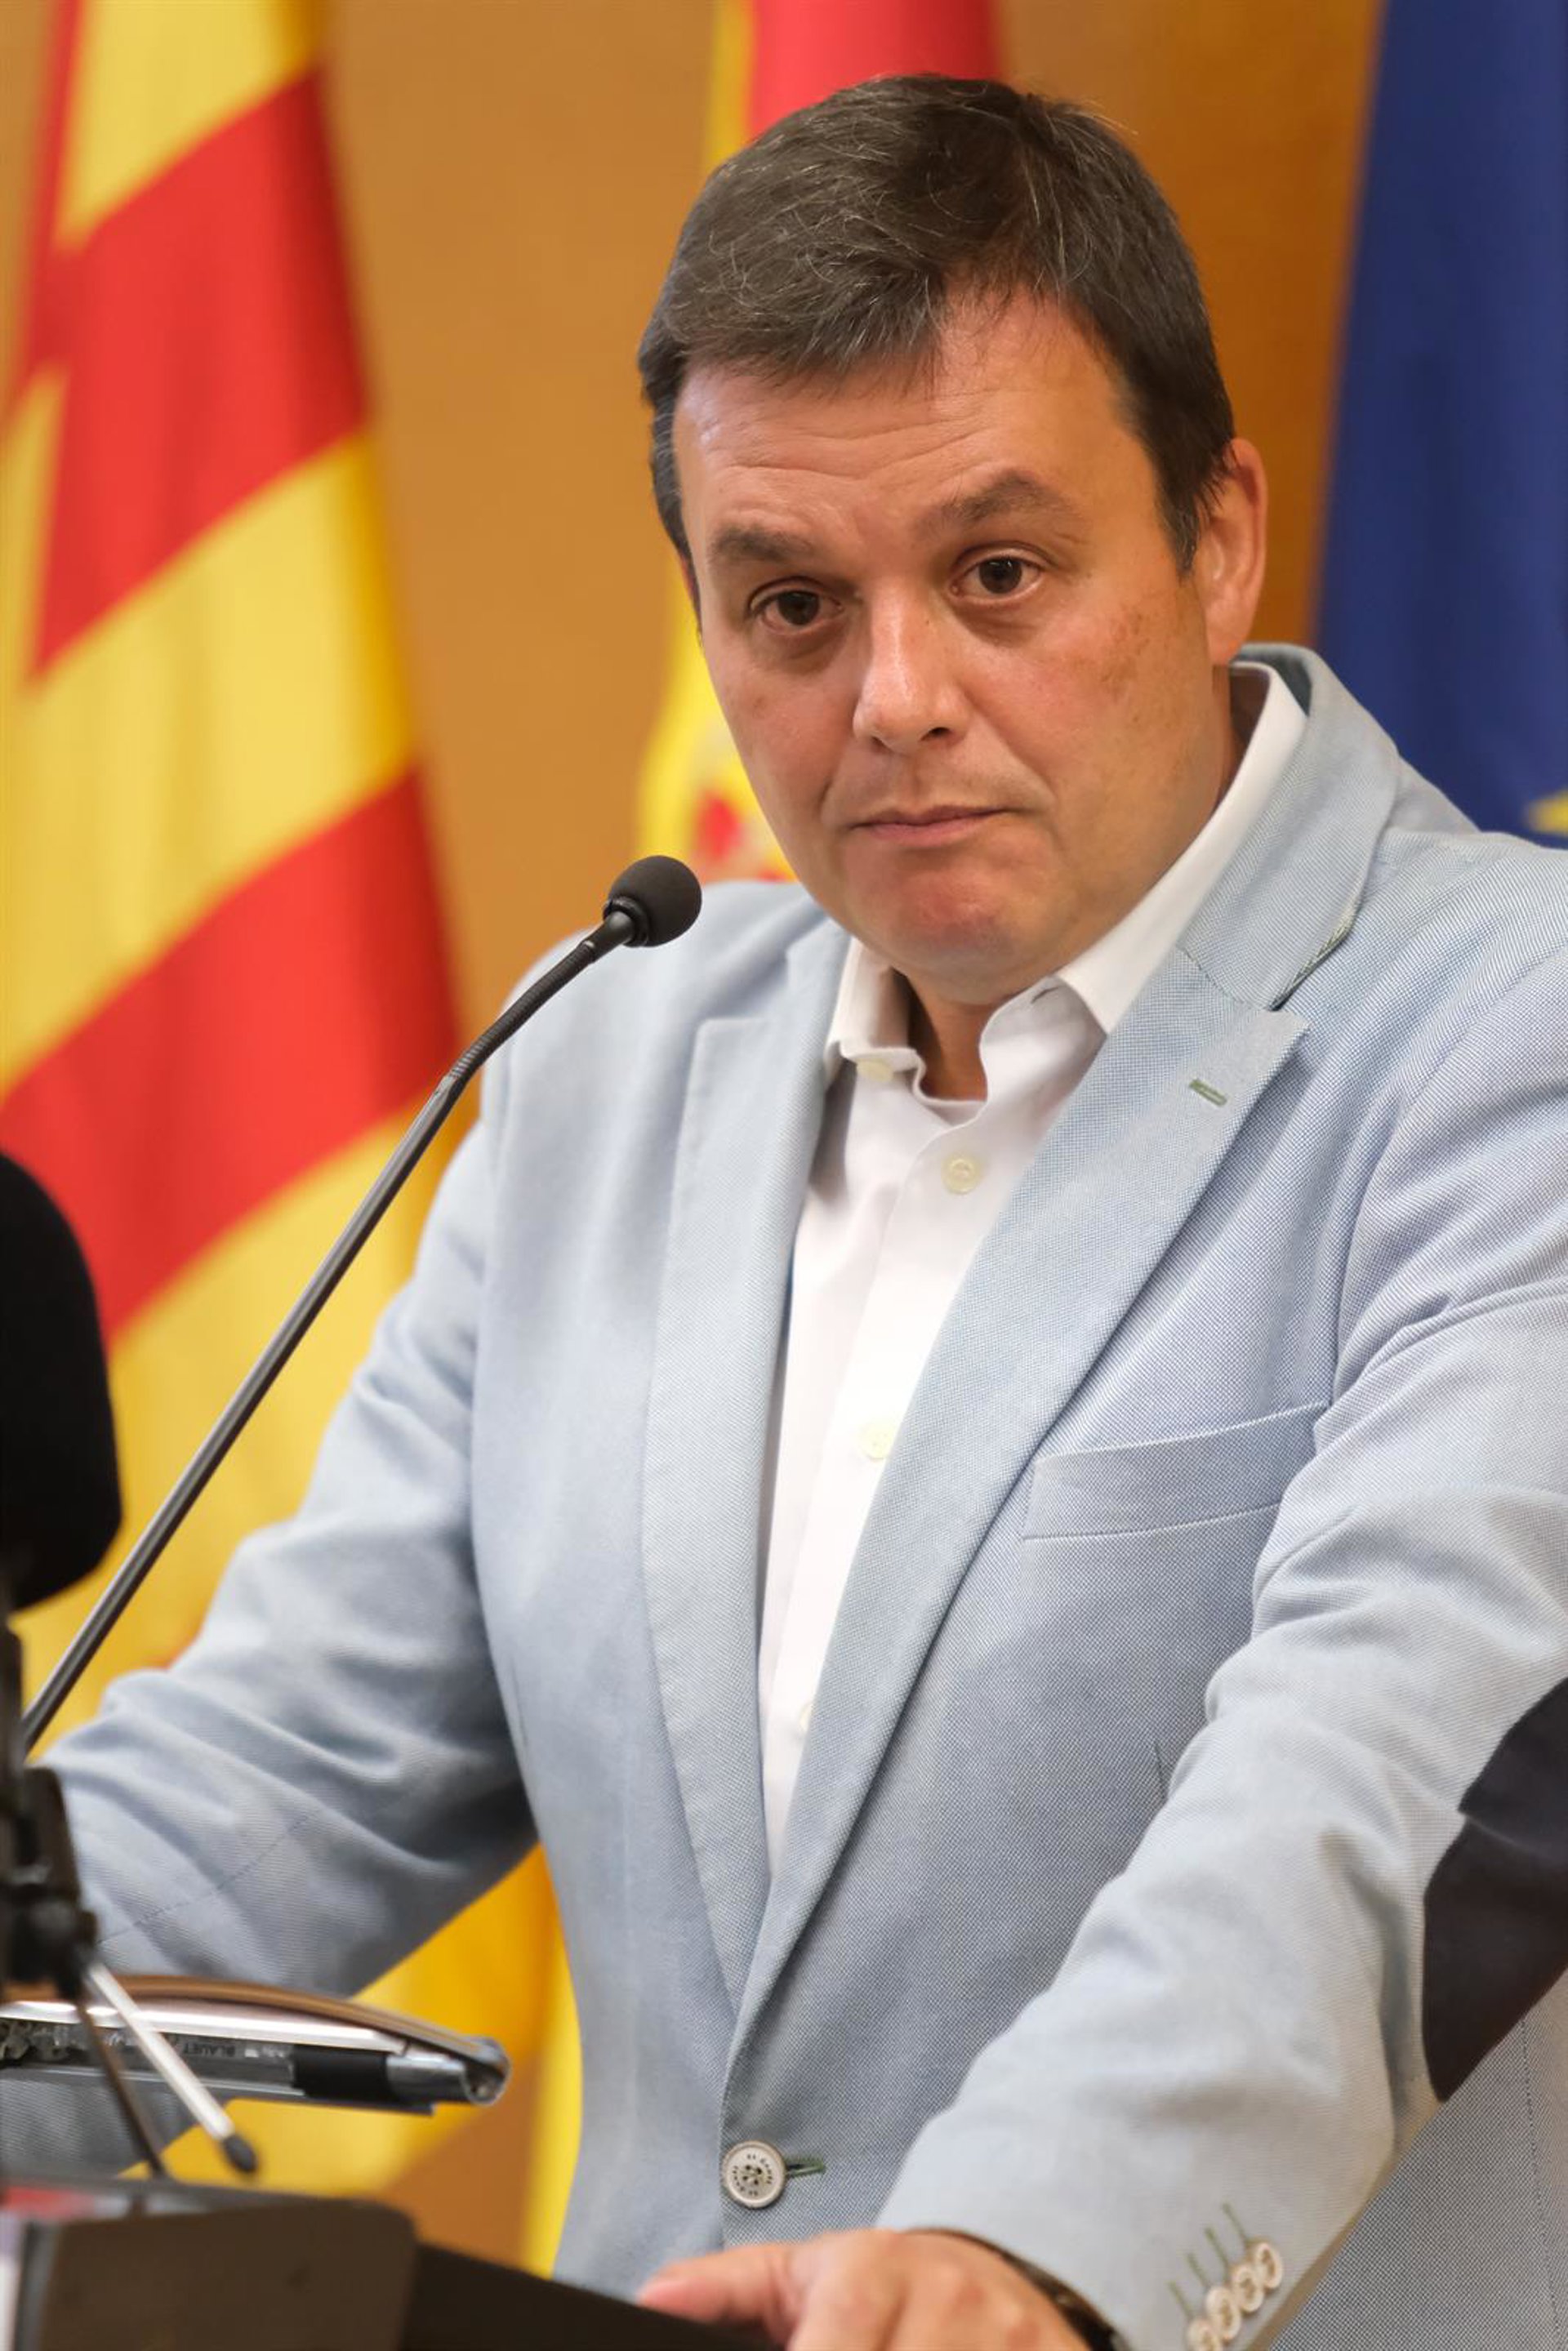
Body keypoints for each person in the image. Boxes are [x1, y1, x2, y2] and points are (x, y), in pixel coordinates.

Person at [17, 77, 1568, 2351]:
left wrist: (1034, 2247)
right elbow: (297, 1765)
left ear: (1218, 536)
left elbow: (1381, 1772)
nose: (897, 700)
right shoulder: (609, 1060)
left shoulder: (1513, 1034)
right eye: (793, 608)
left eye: (999, 574)